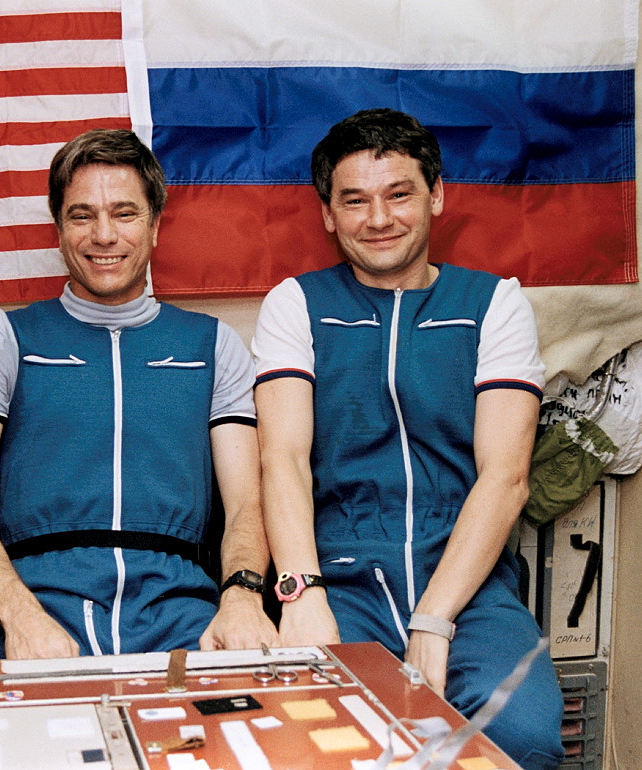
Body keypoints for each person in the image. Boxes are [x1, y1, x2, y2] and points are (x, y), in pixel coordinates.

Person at [252, 109, 564, 769]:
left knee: (522, 736)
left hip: (470, 582)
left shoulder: (494, 304)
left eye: (398, 194)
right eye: (354, 200)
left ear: (437, 196)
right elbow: (282, 461)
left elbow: (506, 478)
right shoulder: (295, 304)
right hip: (340, 580)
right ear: (327, 214)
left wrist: (434, 619)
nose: (379, 218)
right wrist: (301, 595)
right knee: (319, 745)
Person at [0, 129, 277, 659]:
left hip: (183, 617)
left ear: (155, 225)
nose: (104, 235)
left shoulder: (213, 346)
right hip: (37, 613)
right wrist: (21, 617)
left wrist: (243, 597)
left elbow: (247, 505)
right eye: (82, 215)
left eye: (124, 213)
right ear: (58, 228)